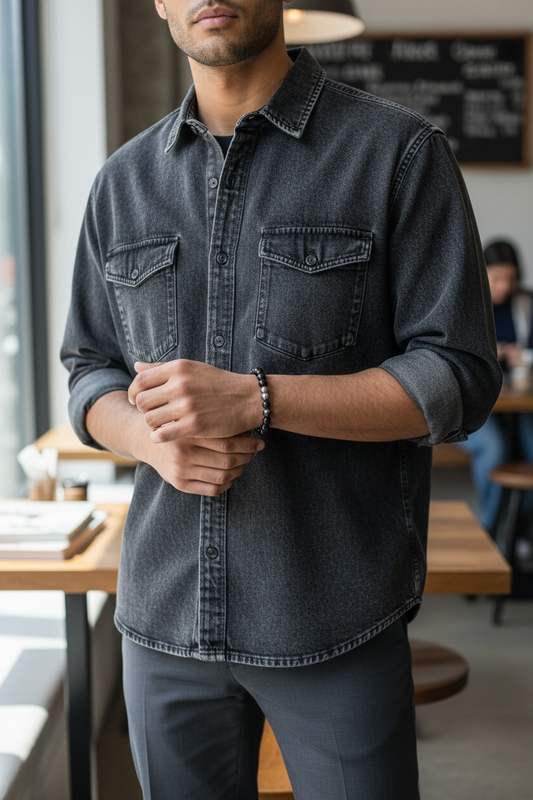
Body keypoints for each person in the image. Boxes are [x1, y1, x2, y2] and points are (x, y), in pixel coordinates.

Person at [61, 2, 501, 798]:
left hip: (334, 616)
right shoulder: (122, 182)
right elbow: (88, 369)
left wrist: (259, 399)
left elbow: (458, 378)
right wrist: (146, 436)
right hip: (162, 620)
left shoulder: (397, 154)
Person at [458, 240, 533, 533]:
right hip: (476, 402)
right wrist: (492, 354)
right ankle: (489, 530)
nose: (504, 285)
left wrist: (521, 356)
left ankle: (520, 526)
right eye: (498, 277)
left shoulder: (525, 305)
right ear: (482, 273)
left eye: (511, 279)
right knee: (494, 447)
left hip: (518, 401)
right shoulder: (466, 303)